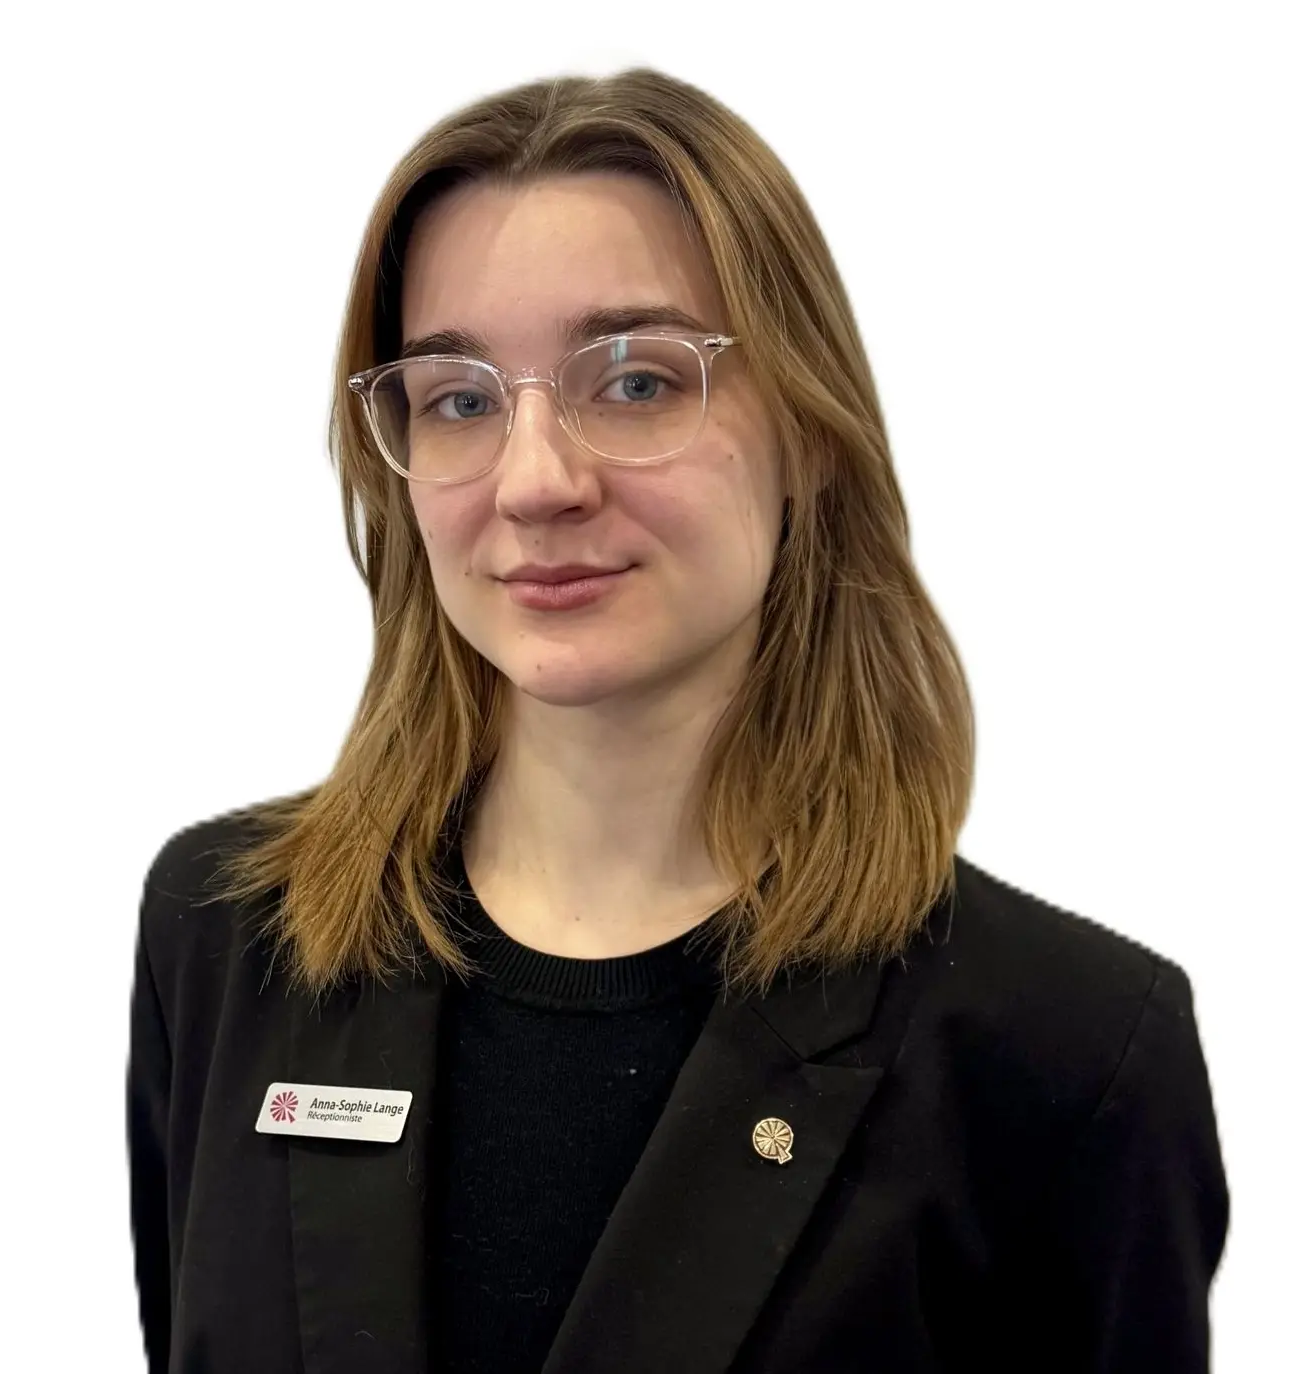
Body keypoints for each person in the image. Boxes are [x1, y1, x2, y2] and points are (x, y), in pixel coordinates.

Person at [126, 66, 1229, 1374]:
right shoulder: (224, 941)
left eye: (637, 382)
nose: (535, 481)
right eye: (460, 398)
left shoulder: (1066, 1053)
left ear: (810, 429)